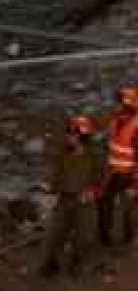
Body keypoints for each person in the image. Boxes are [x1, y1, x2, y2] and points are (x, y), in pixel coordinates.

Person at [42, 113, 101, 277]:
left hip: (84, 202)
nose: (68, 136)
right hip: (65, 198)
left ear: (81, 137)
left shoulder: (94, 155)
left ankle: (78, 263)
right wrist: (53, 192)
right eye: (68, 132)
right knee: (57, 232)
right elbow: (58, 173)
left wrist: (92, 192)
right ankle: (52, 262)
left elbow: (102, 177)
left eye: (72, 133)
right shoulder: (64, 153)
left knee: (84, 235)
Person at [101, 87, 138, 246]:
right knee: (105, 199)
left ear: (127, 105)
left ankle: (128, 239)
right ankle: (105, 235)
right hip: (113, 172)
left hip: (129, 175)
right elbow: (111, 145)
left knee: (127, 208)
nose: (114, 105)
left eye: (118, 102)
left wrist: (135, 185)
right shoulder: (116, 121)